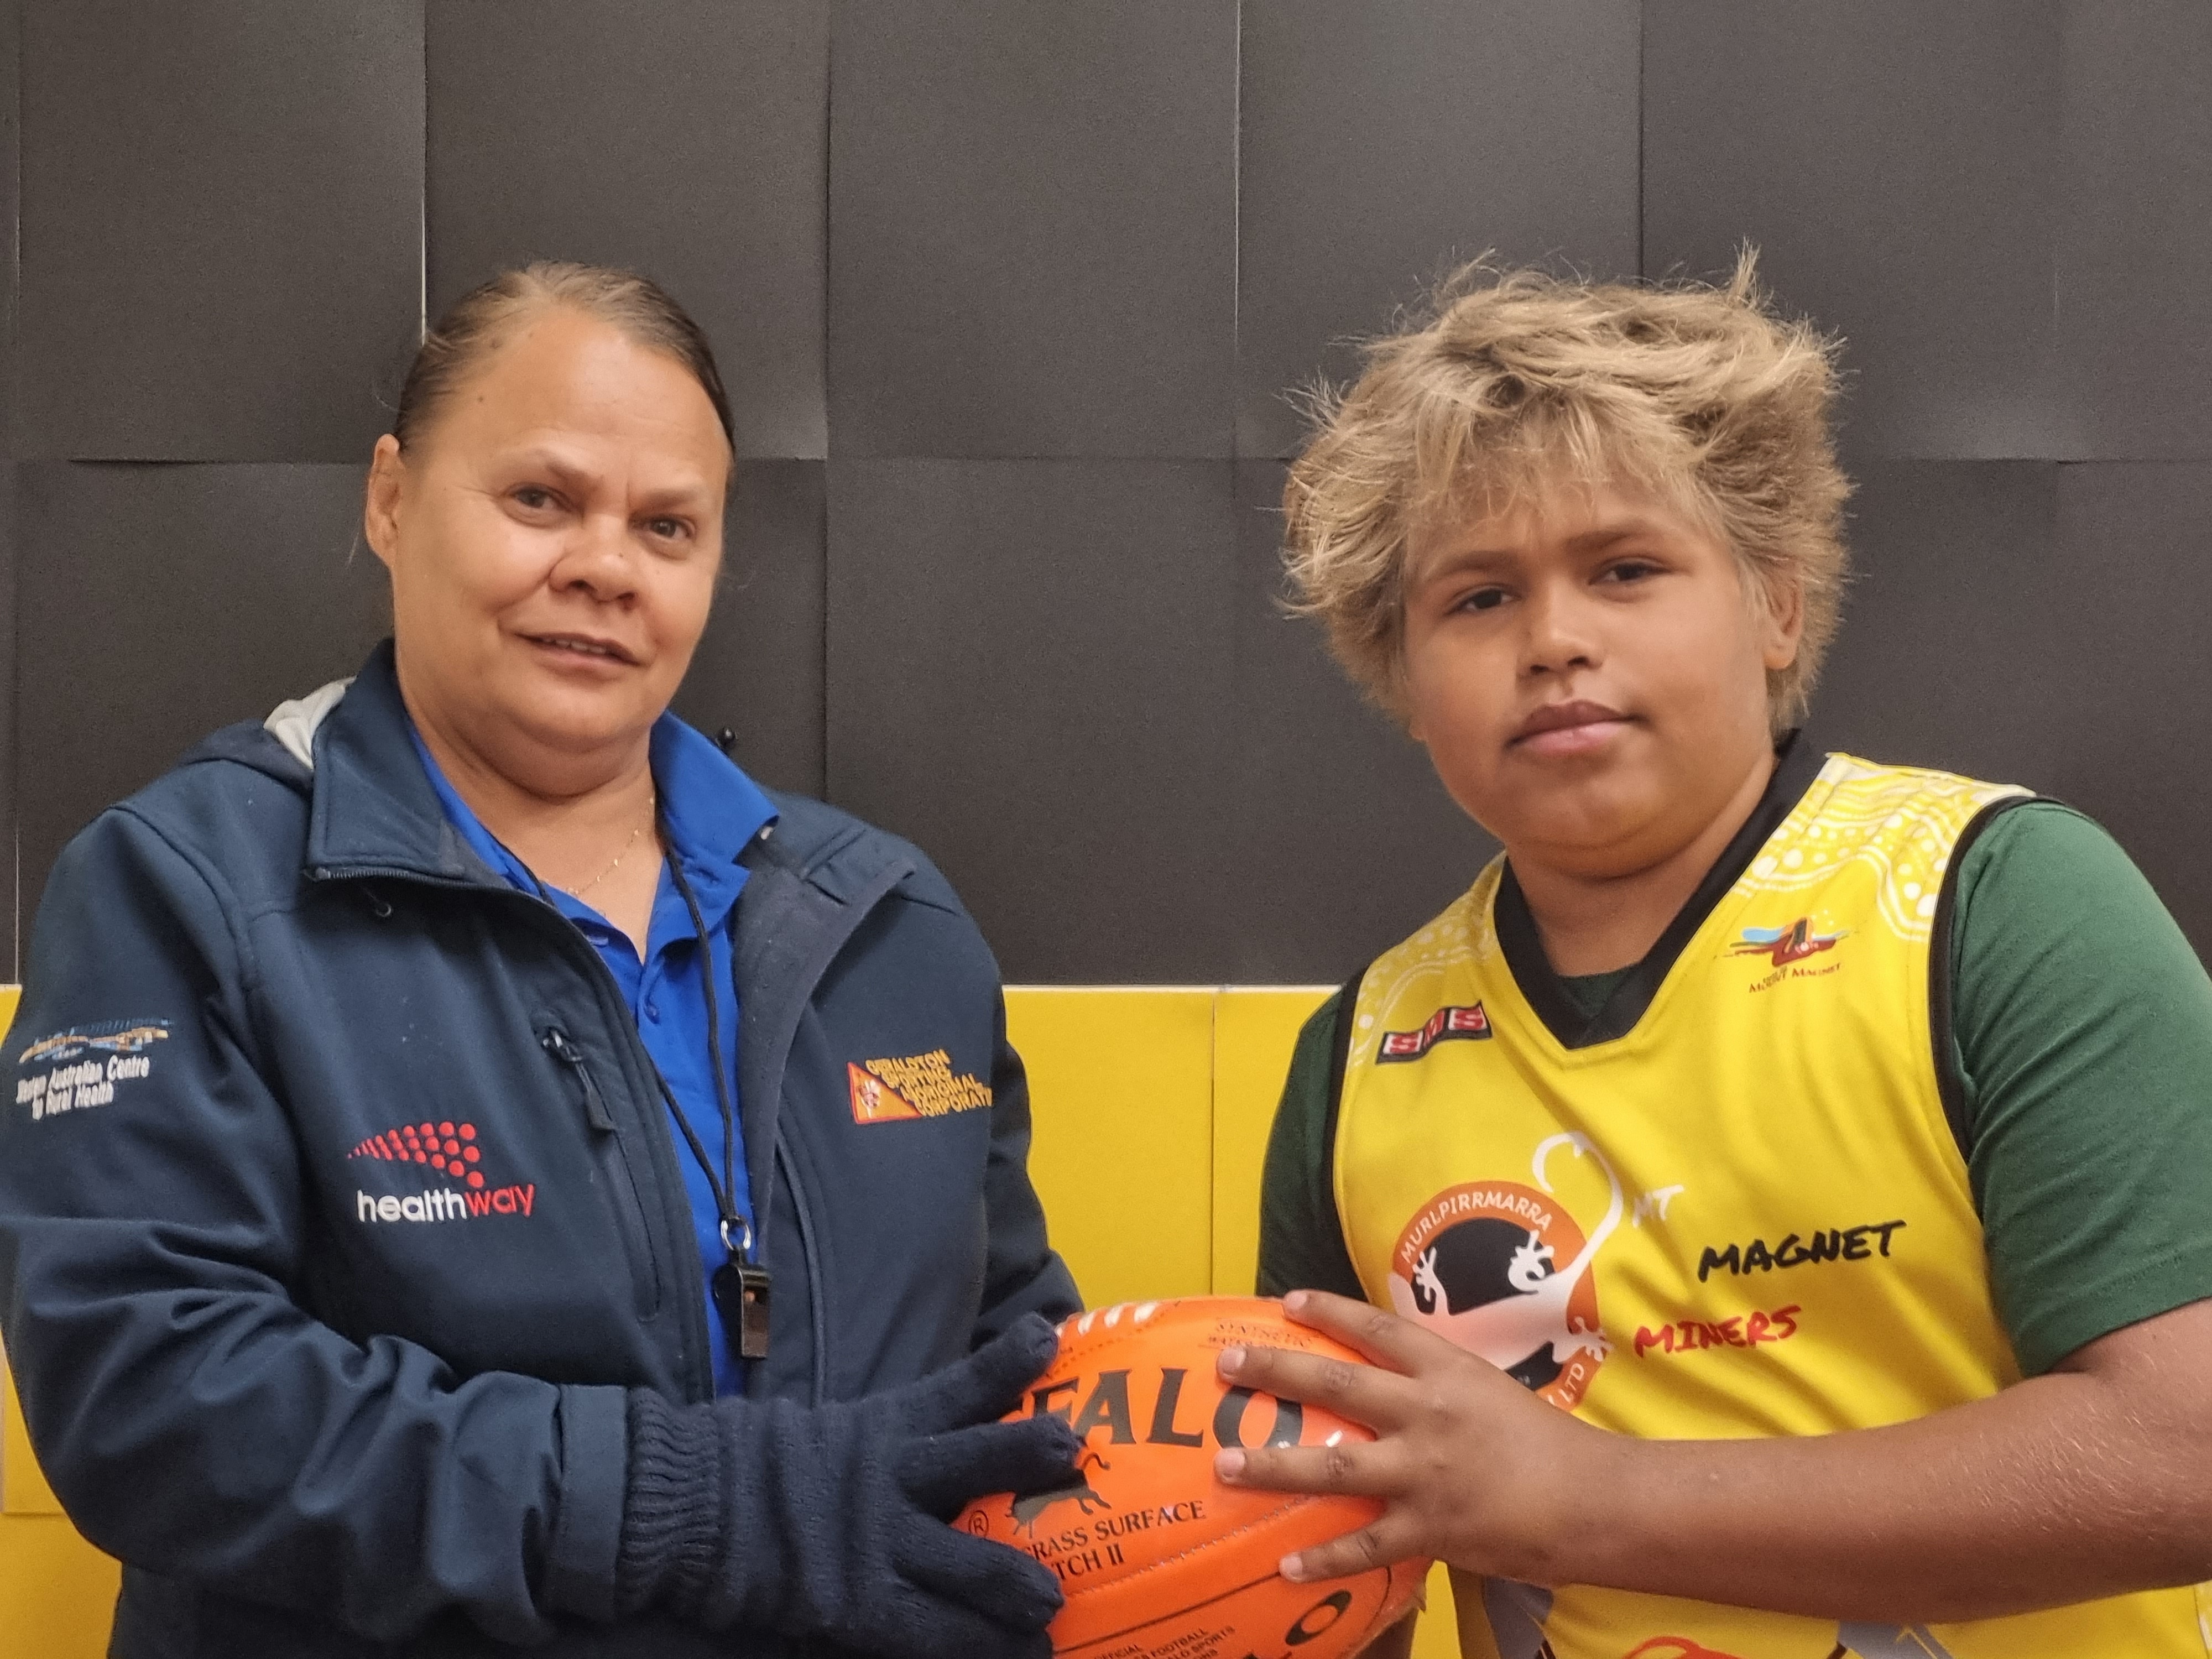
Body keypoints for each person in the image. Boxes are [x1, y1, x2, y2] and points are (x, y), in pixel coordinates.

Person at [0, 262, 1081, 1658]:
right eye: (540, 499)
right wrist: (687, 1505)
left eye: (667, 526)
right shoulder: (184, 892)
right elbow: (151, 1402)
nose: (604, 565)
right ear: (391, 498)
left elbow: (1013, 1358)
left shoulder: (889, 925)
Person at [1222, 259, 2212, 1657]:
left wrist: (1589, 1499)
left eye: (1623, 569)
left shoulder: (1997, 900)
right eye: (1476, 599)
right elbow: (1341, 1558)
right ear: (1400, 681)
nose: (1554, 640)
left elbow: (2184, 1451)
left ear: (1775, 611)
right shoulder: (1363, 1051)